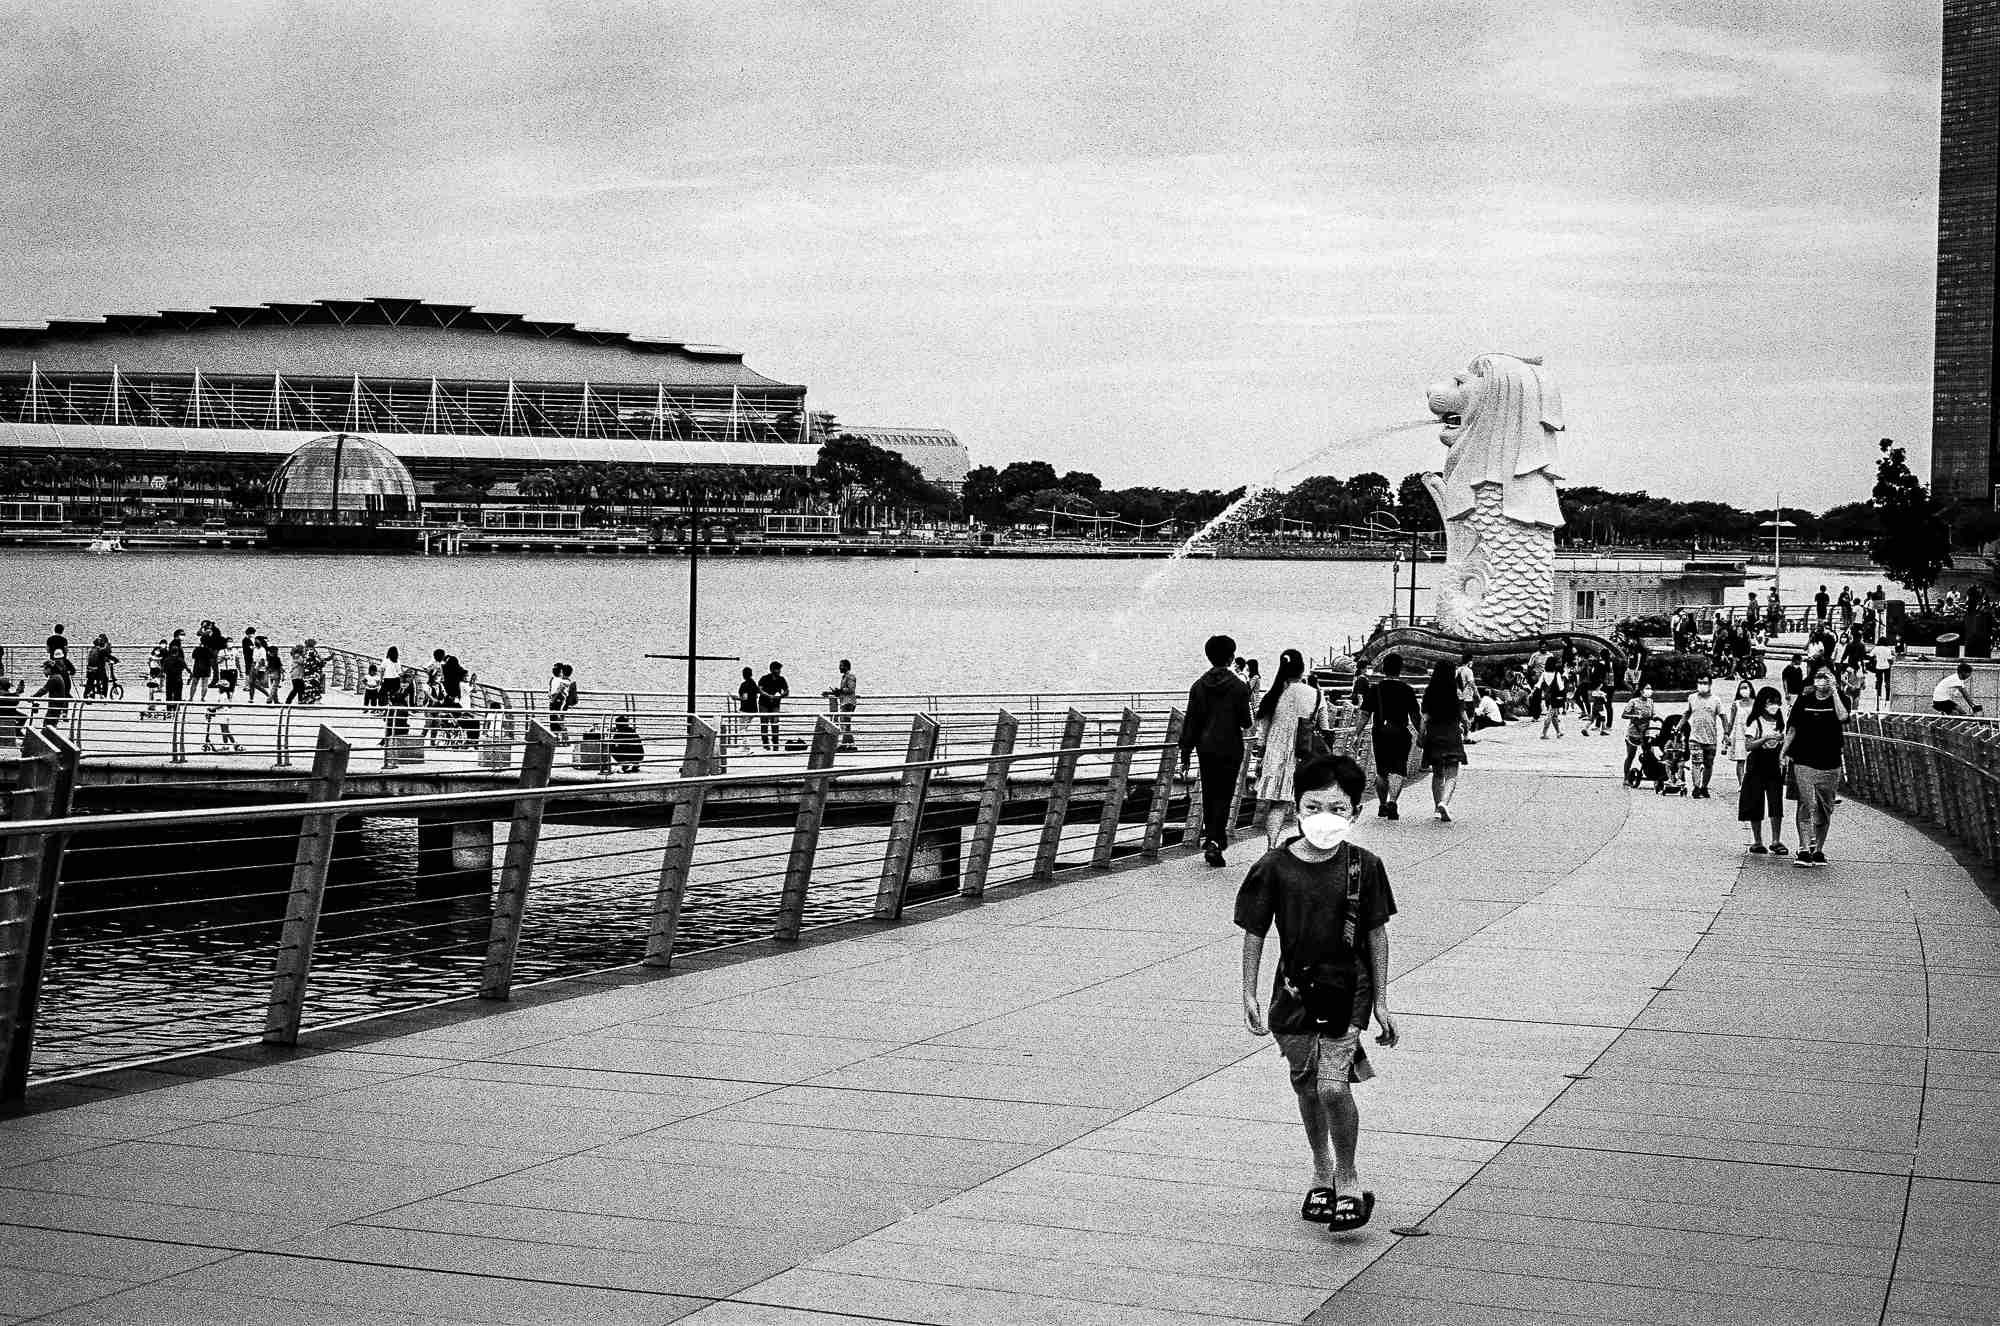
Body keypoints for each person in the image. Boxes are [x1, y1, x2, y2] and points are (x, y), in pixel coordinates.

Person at [1234, 753, 1400, 1235]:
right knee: (1306, 1085)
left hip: (1349, 991)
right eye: (1313, 805)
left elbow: (1376, 933)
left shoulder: (1364, 867)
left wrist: (1383, 1000)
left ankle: (1348, 1177)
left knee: (1332, 1085)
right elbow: (1254, 931)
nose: (1324, 817)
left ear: (1355, 812)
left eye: (1337, 807)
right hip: (1293, 993)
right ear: (1297, 807)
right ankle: (1321, 1169)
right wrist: (1248, 990)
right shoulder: (1273, 866)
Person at [1180, 634, 1254, 867]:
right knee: (1225, 794)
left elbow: (1190, 723)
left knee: (1210, 794)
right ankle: (1214, 840)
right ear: (1232, 657)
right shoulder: (1239, 687)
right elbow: (1246, 722)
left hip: (1206, 748)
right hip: (1230, 747)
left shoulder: (1198, 686)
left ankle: (1212, 837)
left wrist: (1185, 756)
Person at [1251, 649, 1322, 850]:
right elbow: (1323, 724)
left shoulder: (1273, 695)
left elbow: (1262, 732)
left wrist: (1260, 757)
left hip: (1275, 754)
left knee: (1278, 804)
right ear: (1302, 669)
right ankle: (1308, 844)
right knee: (1306, 803)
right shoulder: (1314, 694)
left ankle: (1271, 846)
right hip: (1303, 753)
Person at [1783, 667, 1850, 867]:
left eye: (1826, 677)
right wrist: (1783, 752)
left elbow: (1843, 718)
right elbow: (1792, 728)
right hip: (1803, 760)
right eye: (1819, 677)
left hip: (1830, 763)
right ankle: (1804, 848)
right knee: (1807, 803)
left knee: (1824, 807)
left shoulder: (1841, 700)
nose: (1822, 680)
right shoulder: (1804, 701)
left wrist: (1835, 691)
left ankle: (1818, 849)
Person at [1361, 653, 1420, 820]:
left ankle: (1381, 804)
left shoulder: (1375, 689)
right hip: (1401, 733)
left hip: (1380, 733)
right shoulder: (1407, 690)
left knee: (1382, 771)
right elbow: (1415, 716)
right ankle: (1392, 801)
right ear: (1400, 669)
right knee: (1398, 769)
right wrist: (1422, 734)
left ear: (1383, 669)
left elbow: (1364, 714)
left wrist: (1357, 733)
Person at [1736, 686, 1788, 856]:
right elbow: (1749, 745)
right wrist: (1765, 738)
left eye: (1777, 702)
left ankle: (1776, 840)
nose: (1775, 705)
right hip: (1757, 763)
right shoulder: (1755, 721)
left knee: (1775, 801)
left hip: (1774, 763)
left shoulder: (1780, 721)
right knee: (1755, 800)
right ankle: (1757, 840)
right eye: (1771, 702)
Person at [1419, 658, 1466, 822]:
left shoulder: (1429, 691)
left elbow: (1424, 718)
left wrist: (1420, 736)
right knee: (1452, 773)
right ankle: (1444, 803)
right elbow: (1464, 717)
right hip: (1452, 735)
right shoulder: (1456, 691)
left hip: (1434, 736)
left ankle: (1436, 808)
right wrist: (1466, 730)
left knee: (1437, 774)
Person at [1682, 675, 1723, 798]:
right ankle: (1696, 787)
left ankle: (1704, 787)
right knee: (1696, 762)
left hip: (1711, 738)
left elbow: (1723, 716)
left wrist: (1726, 733)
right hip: (1695, 737)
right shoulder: (1692, 698)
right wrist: (1678, 726)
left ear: (1710, 684)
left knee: (1708, 764)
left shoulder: (1716, 700)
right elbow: (1687, 713)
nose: (1702, 685)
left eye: (1704, 683)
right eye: (1700, 682)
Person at [1620, 685, 1656, 786]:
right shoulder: (1633, 701)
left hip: (1646, 733)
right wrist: (1635, 716)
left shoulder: (1651, 702)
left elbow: (1653, 713)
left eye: (1650, 688)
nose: (1649, 691)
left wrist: (1654, 717)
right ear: (1641, 691)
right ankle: (1626, 778)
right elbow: (1624, 715)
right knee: (1631, 755)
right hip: (1634, 733)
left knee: (1649, 754)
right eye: (1647, 689)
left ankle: (1651, 774)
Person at [1724, 678, 1757, 782]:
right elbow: (1731, 721)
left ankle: (1752, 782)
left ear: (1751, 689)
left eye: (1746, 687)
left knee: (1753, 760)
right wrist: (1726, 734)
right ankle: (1741, 784)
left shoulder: (1756, 703)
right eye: (1741, 688)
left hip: (1753, 734)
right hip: (1739, 735)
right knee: (1741, 760)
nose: (1744, 690)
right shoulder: (1736, 704)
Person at [824, 659, 859, 751]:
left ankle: (848, 745)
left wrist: (840, 691)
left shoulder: (850, 676)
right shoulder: (844, 677)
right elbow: (844, 690)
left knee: (845, 723)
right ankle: (849, 744)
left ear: (846, 667)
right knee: (845, 724)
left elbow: (851, 689)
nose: (839, 668)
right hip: (844, 702)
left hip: (848, 702)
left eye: (841, 666)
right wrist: (830, 693)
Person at [30, 657, 70, 733]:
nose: (44, 671)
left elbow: (44, 690)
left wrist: (33, 697)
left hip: (55, 706)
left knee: (48, 725)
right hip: (56, 705)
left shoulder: (54, 678)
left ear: (50, 669)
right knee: (50, 725)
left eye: (45, 668)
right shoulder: (57, 676)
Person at [757, 661, 790, 751]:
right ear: (771, 670)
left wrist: (780, 696)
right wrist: (768, 696)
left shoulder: (781, 679)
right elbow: (759, 690)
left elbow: (787, 691)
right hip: (763, 703)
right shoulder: (764, 678)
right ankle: (766, 744)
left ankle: (775, 744)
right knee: (764, 723)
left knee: (775, 723)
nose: (779, 671)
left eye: (779, 669)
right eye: (777, 669)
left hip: (775, 704)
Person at [1538, 657, 1566, 739]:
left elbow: (1538, 684)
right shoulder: (1556, 674)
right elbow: (1561, 687)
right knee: (1550, 715)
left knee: (1554, 715)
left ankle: (1558, 732)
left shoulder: (1544, 673)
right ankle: (1544, 733)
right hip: (1555, 696)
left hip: (1547, 696)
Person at [734, 666, 759, 748]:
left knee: (742, 729)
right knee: (745, 728)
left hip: (745, 710)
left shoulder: (744, 685)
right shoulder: (753, 683)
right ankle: (745, 746)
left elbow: (744, 698)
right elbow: (756, 695)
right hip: (754, 710)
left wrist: (735, 698)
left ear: (743, 675)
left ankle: (747, 747)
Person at [1453, 653, 1478, 735]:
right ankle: (1466, 734)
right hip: (1468, 697)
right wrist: (1477, 695)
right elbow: (1472, 684)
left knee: (1462, 718)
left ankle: (1464, 733)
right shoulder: (1469, 671)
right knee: (1470, 718)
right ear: (1469, 661)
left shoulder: (1458, 670)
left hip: (1460, 697)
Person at [546, 662, 570, 743]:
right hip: (553, 701)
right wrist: (550, 694)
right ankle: (555, 738)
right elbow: (551, 689)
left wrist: (553, 697)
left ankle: (563, 737)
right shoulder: (553, 679)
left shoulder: (563, 681)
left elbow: (558, 690)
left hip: (558, 702)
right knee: (553, 720)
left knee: (558, 720)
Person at [1870, 634, 1895, 708]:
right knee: (1887, 682)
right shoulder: (1888, 649)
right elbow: (1890, 659)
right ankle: (1887, 697)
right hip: (1887, 666)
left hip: (1878, 666)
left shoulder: (1876, 648)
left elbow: (1871, 656)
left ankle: (1879, 695)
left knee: (1879, 681)